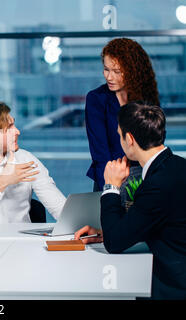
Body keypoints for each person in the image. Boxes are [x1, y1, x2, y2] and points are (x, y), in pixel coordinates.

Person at [75, 102, 186, 300]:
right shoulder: (177, 166)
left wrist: (111, 186)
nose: (120, 141)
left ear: (130, 139)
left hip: (173, 286)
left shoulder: (157, 184)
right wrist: (111, 228)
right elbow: (159, 220)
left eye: (119, 135)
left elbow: (114, 243)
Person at [85, 38, 160, 199]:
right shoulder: (96, 99)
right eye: (106, 69)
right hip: (109, 176)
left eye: (117, 71)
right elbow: (100, 152)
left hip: (143, 177)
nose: (109, 77)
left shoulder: (145, 97)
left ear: (132, 70)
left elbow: (154, 143)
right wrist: (109, 189)